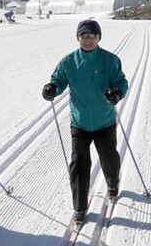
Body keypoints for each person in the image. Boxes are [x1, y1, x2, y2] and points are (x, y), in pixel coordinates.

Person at [42, 19, 129, 225]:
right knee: (79, 164)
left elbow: (121, 82)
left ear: (99, 38)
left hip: (104, 120)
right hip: (79, 123)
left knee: (109, 158)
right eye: (84, 36)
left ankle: (112, 183)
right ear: (78, 38)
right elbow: (58, 81)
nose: (88, 40)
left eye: (92, 36)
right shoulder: (68, 62)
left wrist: (116, 93)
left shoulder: (110, 60)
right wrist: (51, 89)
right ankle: (79, 207)